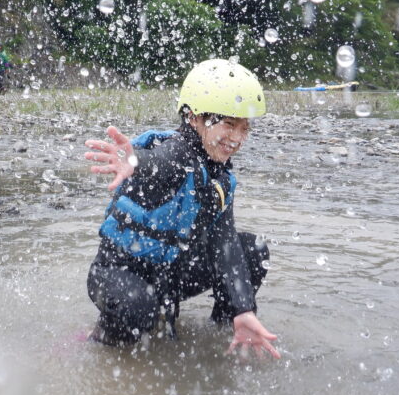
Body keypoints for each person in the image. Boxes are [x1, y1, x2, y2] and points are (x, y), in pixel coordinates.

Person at [84, 59, 280, 359]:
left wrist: (244, 308)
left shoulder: (219, 177)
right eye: (228, 124)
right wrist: (134, 161)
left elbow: (224, 245)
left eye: (244, 128)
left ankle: (229, 330)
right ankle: (101, 339)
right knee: (138, 309)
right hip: (118, 275)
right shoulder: (176, 153)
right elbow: (158, 164)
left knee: (252, 249)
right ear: (193, 118)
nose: (237, 139)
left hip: (172, 275)